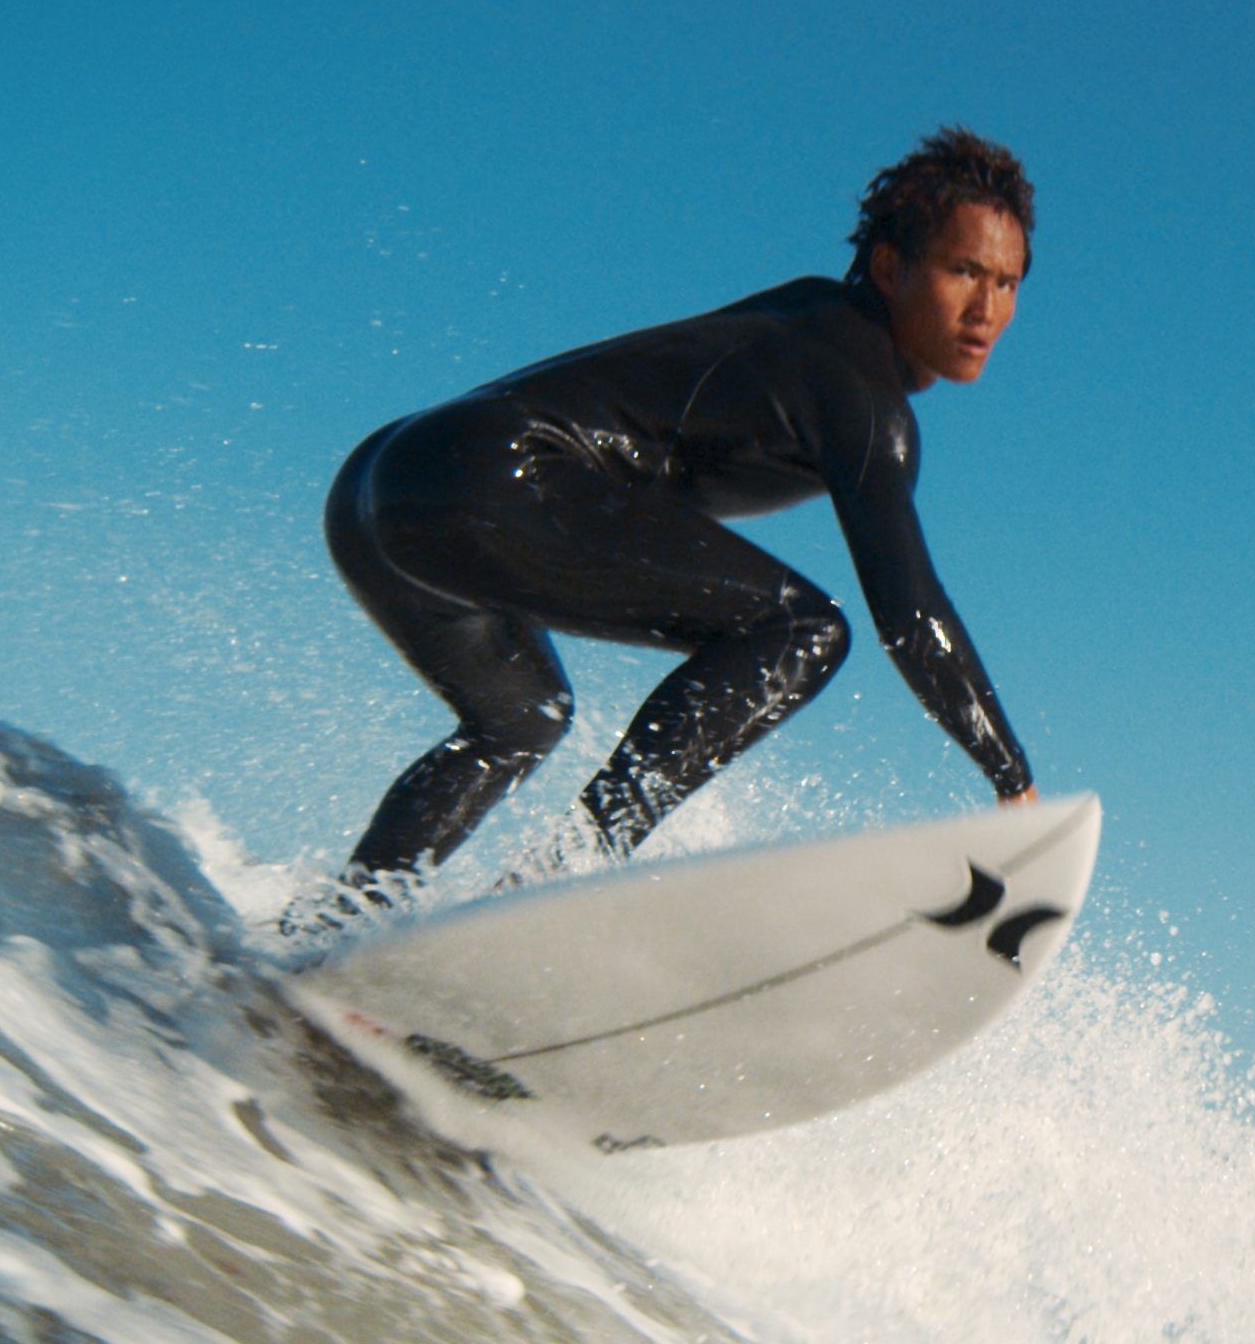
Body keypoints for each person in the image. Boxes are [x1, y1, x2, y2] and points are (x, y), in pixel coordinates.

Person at [304, 128, 1039, 922]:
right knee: (804, 630)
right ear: (892, 268)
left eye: (1007, 282)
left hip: (389, 479)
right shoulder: (857, 390)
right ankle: (561, 877)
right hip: (492, 477)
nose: (987, 309)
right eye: (964, 271)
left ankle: (333, 936)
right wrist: (1011, 778)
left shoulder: (812, 319)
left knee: (520, 717)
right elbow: (907, 608)